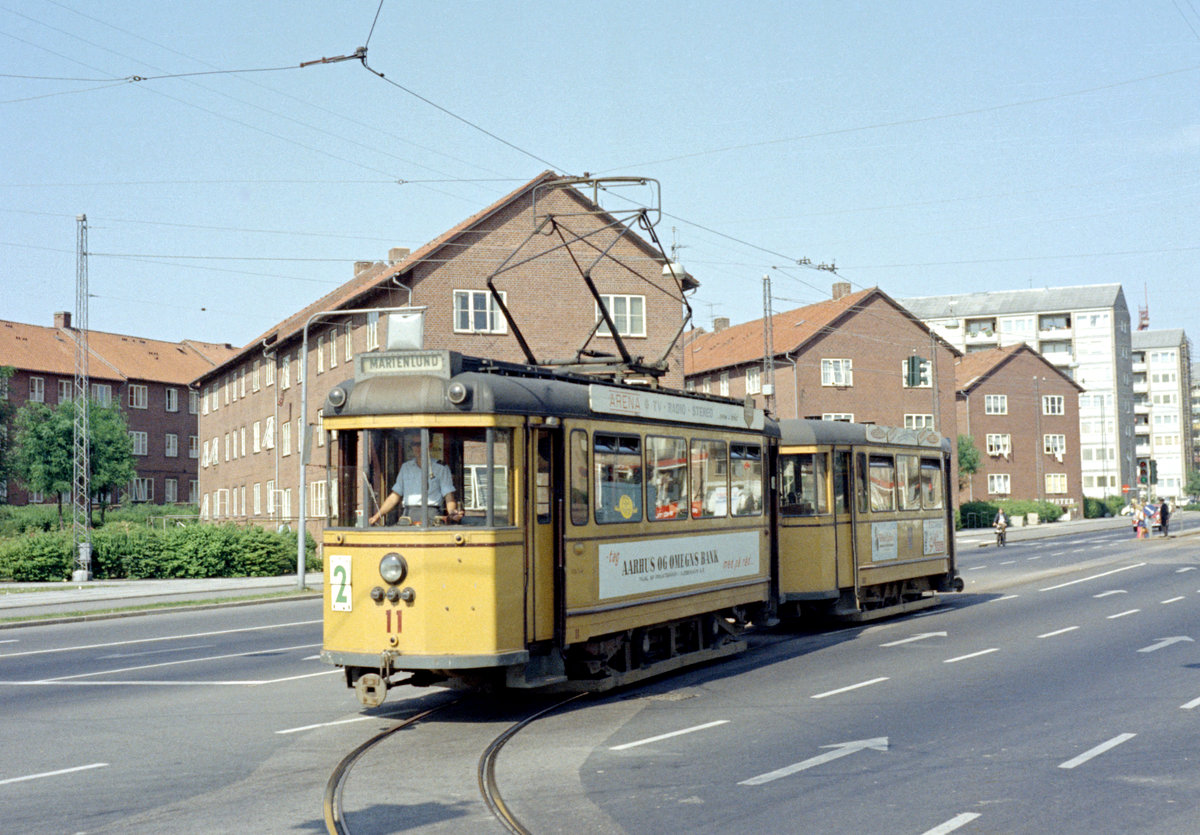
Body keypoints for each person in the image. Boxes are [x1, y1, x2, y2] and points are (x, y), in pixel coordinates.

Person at [369, 434, 462, 525]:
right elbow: (395, 496)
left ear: (430, 445)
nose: (417, 448)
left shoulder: (441, 468)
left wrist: (452, 514)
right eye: (414, 444)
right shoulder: (406, 467)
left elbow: (448, 495)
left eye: (420, 444)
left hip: (432, 515)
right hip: (408, 516)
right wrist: (376, 516)